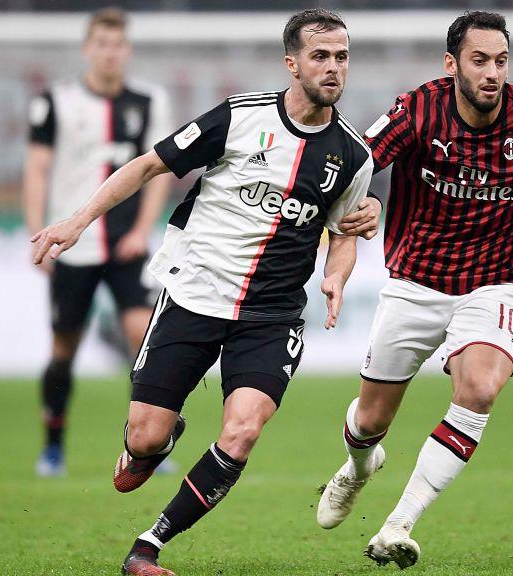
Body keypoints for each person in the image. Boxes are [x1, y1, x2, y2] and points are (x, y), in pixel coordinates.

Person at [30, 9, 380, 576]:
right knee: (145, 437)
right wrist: (76, 221)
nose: (333, 66)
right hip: (195, 294)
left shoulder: (352, 156)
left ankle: (149, 545)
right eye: (320, 56)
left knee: (243, 430)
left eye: (341, 56)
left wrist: (337, 275)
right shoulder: (240, 117)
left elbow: (343, 232)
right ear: (292, 63)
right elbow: (148, 166)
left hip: (272, 313)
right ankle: (155, 446)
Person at [315, 10, 513, 569]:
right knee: (370, 422)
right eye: (479, 61)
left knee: (481, 389)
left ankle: (399, 524)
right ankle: (358, 467)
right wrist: (361, 204)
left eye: (500, 61)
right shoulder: (418, 108)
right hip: (414, 281)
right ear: (452, 65)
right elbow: (357, 160)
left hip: (493, 284)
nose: (492, 72)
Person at [24, 8, 173, 477]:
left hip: (126, 245)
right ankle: (52, 446)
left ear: (126, 50)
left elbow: (158, 171)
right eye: (102, 44)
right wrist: (39, 233)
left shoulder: (149, 100)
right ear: (89, 49)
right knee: (63, 347)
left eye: (118, 44)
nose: (111, 53)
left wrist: (140, 231)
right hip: (74, 247)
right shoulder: (56, 101)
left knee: (141, 336)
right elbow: (37, 169)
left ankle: (147, 445)